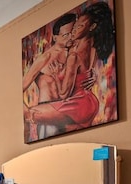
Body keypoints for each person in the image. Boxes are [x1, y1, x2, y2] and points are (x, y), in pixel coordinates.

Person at [24, 2, 115, 133]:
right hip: (71, 107)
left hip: (71, 107)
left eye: (74, 29)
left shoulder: (73, 54)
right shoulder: (46, 58)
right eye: (66, 34)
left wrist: (91, 75)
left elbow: (65, 91)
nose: (72, 35)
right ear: (55, 37)